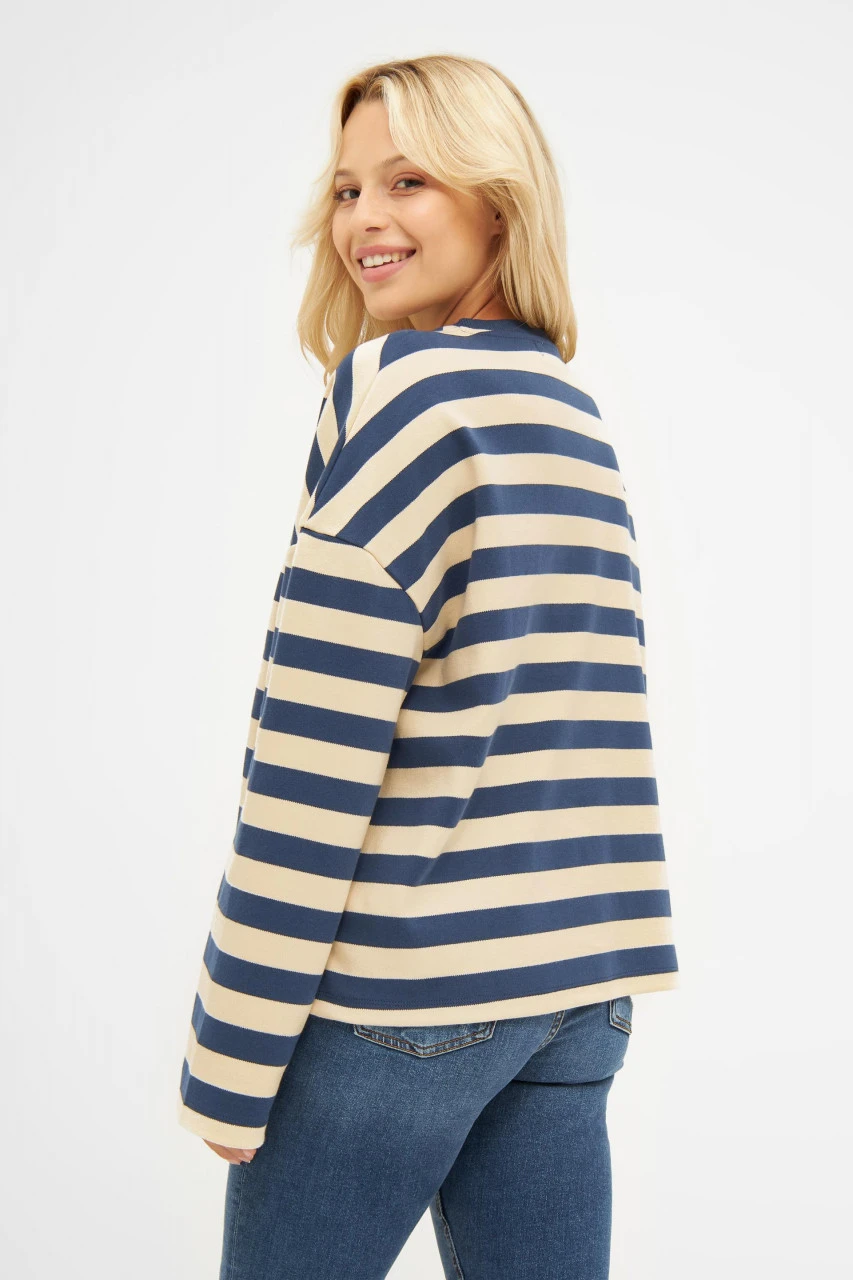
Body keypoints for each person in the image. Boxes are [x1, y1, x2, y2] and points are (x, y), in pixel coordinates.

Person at [176, 53, 679, 1280]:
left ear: (498, 200)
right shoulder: (570, 414)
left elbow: (314, 756)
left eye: (409, 180)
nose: (365, 219)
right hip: (574, 987)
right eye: (347, 188)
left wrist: (231, 1048)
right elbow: (586, 723)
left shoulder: (396, 396)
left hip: (406, 999)